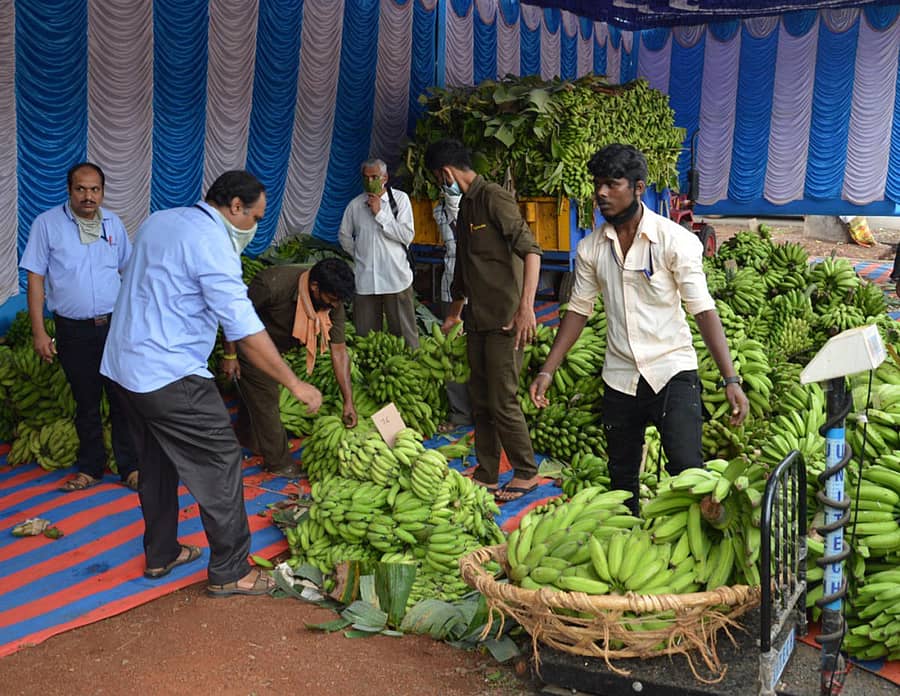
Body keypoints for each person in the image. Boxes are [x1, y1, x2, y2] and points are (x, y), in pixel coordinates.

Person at [100, 170, 322, 596]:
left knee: (157, 462)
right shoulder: (213, 244)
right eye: (254, 217)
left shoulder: (161, 220)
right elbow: (244, 330)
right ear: (234, 207)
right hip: (169, 373)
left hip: (124, 367)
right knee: (221, 458)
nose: (255, 228)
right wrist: (294, 383)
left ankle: (162, 552)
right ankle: (231, 570)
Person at [528, 144, 749, 516]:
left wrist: (730, 379)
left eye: (612, 184)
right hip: (620, 376)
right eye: (597, 184)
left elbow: (702, 309)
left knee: (686, 470)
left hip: (672, 371)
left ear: (638, 187)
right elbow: (579, 311)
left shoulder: (674, 241)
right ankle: (629, 543)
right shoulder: (590, 249)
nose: (601, 193)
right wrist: (548, 370)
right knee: (622, 480)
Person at [424, 139, 542, 502]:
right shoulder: (466, 209)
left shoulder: (493, 197)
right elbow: (463, 267)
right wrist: (455, 313)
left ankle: (526, 472)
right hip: (478, 321)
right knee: (481, 401)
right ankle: (487, 472)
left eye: (437, 179)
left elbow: (531, 250)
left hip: (507, 321)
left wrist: (526, 307)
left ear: (445, 173)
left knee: (503, 400)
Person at [19, 162, 139, 493]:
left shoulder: (113, 223)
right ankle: (91, 468)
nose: (88, 196)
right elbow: (35, 276)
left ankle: (130, 467)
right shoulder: (47, 224)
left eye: (94, 189)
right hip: (73, 330)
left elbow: (129, 271)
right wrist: (39, 331)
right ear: (69, 190)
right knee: (85, 401)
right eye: (81, 189)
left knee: (122, 399)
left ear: (102, 191)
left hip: (113, 327)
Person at [222, 258, 357, 478]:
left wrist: (348, 401)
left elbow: (339, 351)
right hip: (251, 342)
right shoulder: (272, 285)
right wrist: (230, 354)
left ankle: (248, 435)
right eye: (332, 299)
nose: (334, 305)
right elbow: (233, 315)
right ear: (315, 287)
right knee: (267, 395)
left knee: (257, 392)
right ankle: (279, 463)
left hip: (276, 347)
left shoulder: (333, 302)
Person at [338, 158, 419, 349]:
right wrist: (358, 255)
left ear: (385, 177)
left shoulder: (400, 200)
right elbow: (344, 236)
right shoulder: (355, 205)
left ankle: (413, 366)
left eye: (374, 177)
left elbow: (407, 235)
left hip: (396, 277)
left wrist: (380, 214)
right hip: (366, 279)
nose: (369, 181)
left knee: (404, 334)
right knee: (366, 336)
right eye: (366, 177)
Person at [432, 185, 473, 433]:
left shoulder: (476, 214)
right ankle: (460, 412)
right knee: (452, 353)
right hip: (451, 290)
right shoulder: (439, 213)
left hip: (478, 293)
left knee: (479, 351)